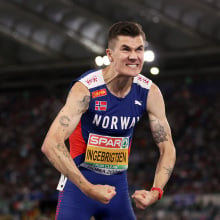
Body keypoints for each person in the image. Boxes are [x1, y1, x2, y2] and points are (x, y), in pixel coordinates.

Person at [41, 21, 176, 220]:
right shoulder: (86, 89)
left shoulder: (149, 92)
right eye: (126, 49)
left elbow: (168, 148)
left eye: (139, 49)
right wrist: (88, 188)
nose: (134, 56)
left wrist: (156, 191)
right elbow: (51, 144)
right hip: (79, 190)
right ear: (110, 55)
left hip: (117, 192)